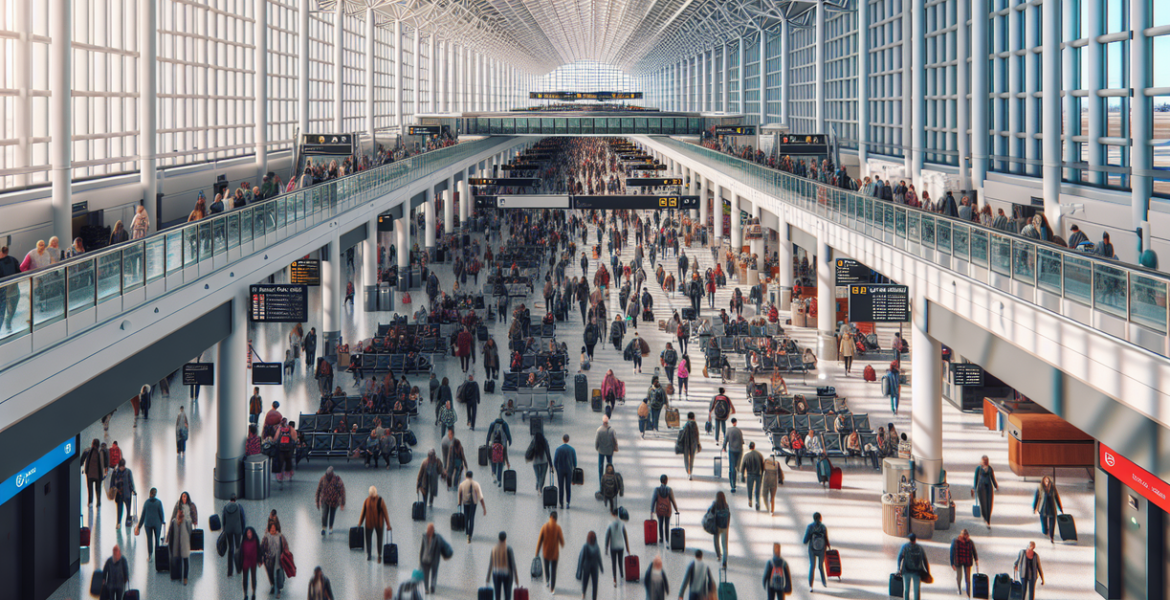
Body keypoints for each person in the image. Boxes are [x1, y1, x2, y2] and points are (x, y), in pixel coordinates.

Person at [358, 486, 392, 562]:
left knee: (378, 539)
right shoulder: (367, 501)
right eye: (371, 495)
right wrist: (360, 522)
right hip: (371, 523)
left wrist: (388, 524)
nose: (372, 496)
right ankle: (370, 554)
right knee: (369, 539)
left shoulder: (380, 501)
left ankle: (378, 554)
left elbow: (385, 513)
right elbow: (363, 512)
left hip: (377, 523)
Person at [536, 511, 566, 593]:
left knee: (546, 567)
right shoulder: (558, 528)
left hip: (546, 552)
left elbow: (539, 540)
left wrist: (537, 552)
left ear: (550, 517)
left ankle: (547, 581)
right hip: (555, 554)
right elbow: (562, 542)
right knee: (553, 570)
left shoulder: (544, 527)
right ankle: (552, 588)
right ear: (556, 519)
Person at [896, 533, 930, 600]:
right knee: (916, 590)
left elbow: (899, 558)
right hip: (917, 572)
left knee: (906, 590)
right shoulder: (920, 548)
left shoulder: (905, 547)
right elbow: (925, 560)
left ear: (909, 539)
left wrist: (899, 568)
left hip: (906, 571)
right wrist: (928, 571)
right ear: (915, 539)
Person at [487, 531, 520, 600]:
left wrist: (488, 577)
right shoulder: (509, 549)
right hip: (507, 574)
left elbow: (490, 564)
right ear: (505, 539)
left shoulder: (494, 549)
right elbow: (513, 564)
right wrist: (516, 578)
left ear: (498, 539)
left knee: (497, 595)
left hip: (496, 574)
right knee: (507, 595)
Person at [803, 512, 830, 592]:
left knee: (812, 566)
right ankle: (824, 582)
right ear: (820, 518)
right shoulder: (823, 527)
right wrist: (827, 546)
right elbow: (826, 539)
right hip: (821, 549)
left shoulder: (810, 527)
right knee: (821, 566)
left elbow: (805, 540)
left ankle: (810, 586)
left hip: (812, 549)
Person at [261, 521, 289, 598]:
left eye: (274, 528)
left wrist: (285, 554)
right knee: (270, 574)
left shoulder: (280, 537)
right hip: (269, 559)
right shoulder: (266, 537)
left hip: (278, 559)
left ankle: (278, 590)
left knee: (279, 573)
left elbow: (285, 547)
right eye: (271, 529)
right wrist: (261, 558)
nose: (273, 530)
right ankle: (273, 585)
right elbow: (262, 548)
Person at [221, 493, 247, 577]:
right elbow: (243, 518)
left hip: (228, 530)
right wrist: (243, 530)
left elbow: (223, 519)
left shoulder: (225, 507)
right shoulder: (239, 507)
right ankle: (238, 569)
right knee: (237, 548)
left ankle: (230, 571)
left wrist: (224, 529)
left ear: (230, 499)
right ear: (235, 499)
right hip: (237, 530)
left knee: (231, 548)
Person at [315, 467, 346, 536]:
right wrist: (317, 502)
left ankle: (331, 527)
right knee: (324, 514)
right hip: (325, 499)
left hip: (334, 501)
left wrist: (342, 503)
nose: (327, 475)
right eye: (326, 474)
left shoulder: (337, 479)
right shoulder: (323, 479)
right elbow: (318, 490)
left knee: (332, 514)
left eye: (328, 474)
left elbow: (342, 491)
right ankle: (324, 528)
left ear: (332, 473)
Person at [167, 506, 194, 585]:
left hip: (184, 544)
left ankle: (185, 577)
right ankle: (178, 576)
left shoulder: (186, 521)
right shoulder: (174, 522)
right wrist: (168, 540)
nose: (180, 514)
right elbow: (171, 532)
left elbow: (190, 531)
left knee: (185, 561)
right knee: (178, 560)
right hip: (176, 544)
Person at [457, 471, 486, 543]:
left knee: (466, 517)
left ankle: (467, 533)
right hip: (473, 503)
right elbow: (480, 497)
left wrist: (459, 504)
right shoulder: (476, 484)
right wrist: (484, 508)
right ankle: (470, 535)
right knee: (472, 518)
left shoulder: (462, 484)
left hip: (465, 503)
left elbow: (459, 494)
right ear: (472, 476)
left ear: (466, 476)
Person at [136, 488, 166, 556]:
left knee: (149, 539)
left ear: (150, 493)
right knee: (157, 538)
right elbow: (161, 513)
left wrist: (139, 526)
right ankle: (157, 553)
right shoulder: (158, 503)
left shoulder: (146, 503)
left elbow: (143, 515)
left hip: (148, 524)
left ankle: (150, 554)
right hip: (157, 524)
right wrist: (162, 521)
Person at [418, 523, 447, 594]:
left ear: (433, 530)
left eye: (430, 529)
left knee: (434, 574)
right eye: (428, 529)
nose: (429, 531)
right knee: (426, 574)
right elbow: (422, 548)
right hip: (425, 558)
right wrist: (420, 559)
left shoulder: (436, 538)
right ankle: (426, 588)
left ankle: (433, 586)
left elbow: (438, 550)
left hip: (433, 560)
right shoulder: (424, 537)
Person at [651, 474, 680, 546]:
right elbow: (673, 500)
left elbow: (653, 500)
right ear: (666, 481)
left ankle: (661, 538)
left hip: (659, 510)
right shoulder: (669, 490)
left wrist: (652, 510)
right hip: (667, 510)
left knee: (660, 524)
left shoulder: (657, 490)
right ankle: (667, 539)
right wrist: (676, 509)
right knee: (667, 525)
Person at [1032, 476, 1063, 543]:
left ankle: (1051, 536)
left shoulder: (1053, 488)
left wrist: (1060, 508)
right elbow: (1036, 498)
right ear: (1043, 482)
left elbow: (1057, 498)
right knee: (1044, 526)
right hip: (1043, 508)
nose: (1047, 483)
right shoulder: (1040, 488)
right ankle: (1046, 532)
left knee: (1052, 523)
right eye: (1046, 481)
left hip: (1052, 507)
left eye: (1048, 481)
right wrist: (1034, 509)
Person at [950, 529, 979, 597]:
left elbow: (974, 551)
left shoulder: (970, 542)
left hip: (967, 561)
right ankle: (959, 588)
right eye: (965, 536)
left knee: (968, 578)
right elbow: (952, 552)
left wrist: (976, 559)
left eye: (967, 536)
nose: (966, 538)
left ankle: (968, 592)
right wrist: (952, 563)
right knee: (959, 577)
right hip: (958, 560)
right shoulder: (955, 541)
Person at [604, 507, 629, 586]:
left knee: (614, 563)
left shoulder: (610, 525)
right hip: (621, 546)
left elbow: (607, 537)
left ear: (613, 514)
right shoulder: (622, 524)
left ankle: (614, 579)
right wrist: (627, 548)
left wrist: (606, 548)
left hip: (613, 546)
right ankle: (621, 575)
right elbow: (625, 536)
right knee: (620, 561)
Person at [972, 456, 999, 529]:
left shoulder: (990, 468)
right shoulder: (978, 469)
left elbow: (992, 478)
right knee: (984, 504)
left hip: (989, 487)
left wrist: (996, 485)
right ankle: (985, 518)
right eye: (984, 461)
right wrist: (974, 488)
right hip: (981, 488)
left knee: (989, 504)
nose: (985, 463)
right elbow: (976, 479)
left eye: (986, 461)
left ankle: (988, 520)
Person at [576, 530, 604, 600]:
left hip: (586, 567)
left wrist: (579, 570)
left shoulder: (585, 546)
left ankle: (583, 593)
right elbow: (599, 557)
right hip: (595, 567)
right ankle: (594, 597)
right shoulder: (597, 547)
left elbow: (581, 558)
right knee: (595, 583)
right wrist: (601, 567)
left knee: (585, 581)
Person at [707, 492, 731, 566]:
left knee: (716, 541)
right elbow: (729, 515)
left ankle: (718, 556)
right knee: (725, 545)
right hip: (725, 527)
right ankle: (724, 561)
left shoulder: (715, 504)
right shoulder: (726, 505)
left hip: (717, 526)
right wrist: (727, 525)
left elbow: (709, 512)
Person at [553, 434, 578, 509]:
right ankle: (568, 502)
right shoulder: (572, 449)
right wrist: (574, 469)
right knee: (568, 487)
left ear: (562, 439)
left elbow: (555, 461)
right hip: (569, 470)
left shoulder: (558, 449)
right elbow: (575, 462)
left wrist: (557, 469)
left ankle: (561, 503)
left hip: (560, 470)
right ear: (568, 440)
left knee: (561, 487)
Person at [81, 438, 107, 507]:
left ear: (92, 444)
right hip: (98, 475)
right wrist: (105, 472)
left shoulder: (88, 451)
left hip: (90, 474)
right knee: (98, 490)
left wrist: (80, 465)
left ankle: (90, 502)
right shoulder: (101, 452)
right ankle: (98, 503)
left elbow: (82, 460)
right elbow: (105, 462)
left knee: (90, 490)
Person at [595, 414, 618, 486]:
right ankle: (610, 480)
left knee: (600, 467)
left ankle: (601, 483)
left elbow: (597, 441)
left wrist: (597, 448)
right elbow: (615, 440)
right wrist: (615, 448)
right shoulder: (612, 430)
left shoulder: (599, 430)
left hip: (601, 451)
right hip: (609, 451)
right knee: (609, 466)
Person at [741, 441, 765, 509]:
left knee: (750, 488)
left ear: (749, 447)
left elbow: (743, 466)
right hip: (758, 474)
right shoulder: (759, 454)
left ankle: (750, 500)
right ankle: (757, 501)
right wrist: (762, 473)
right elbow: (763, 465)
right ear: (754, 447)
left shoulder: (746, 455)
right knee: (757, 489)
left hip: (750, 474)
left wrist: (742, 476)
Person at [239, 526, 261, 600]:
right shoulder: (244, 541)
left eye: (250, 533)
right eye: (248, 533)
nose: (249, 534)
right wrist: (240, 564)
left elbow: (259, 550)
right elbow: (241, 553)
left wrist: (259, 560)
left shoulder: (255, 540)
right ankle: (245, 594)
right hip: (245, 562)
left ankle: (253, 593)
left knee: (253, 578)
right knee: (245, 579)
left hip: (253, 561)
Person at [723, 418, 744, 493]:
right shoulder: (739, 430)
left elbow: (725, 439)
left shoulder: (728, 430)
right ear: (736, 422)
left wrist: (724, 447)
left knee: (731, 467)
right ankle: (736, 477)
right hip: (739, 450)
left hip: (732, 450)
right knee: (736, 466)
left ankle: (732, 484)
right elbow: (742, 441)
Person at [678, 411, 701, 479]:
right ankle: (690, 472)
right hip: (693, 444)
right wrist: (698, 444)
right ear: (693, 418)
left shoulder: (685, 425)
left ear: (688, 418)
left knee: (686, 458)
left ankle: (688, 472)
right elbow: (697, 435)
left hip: (686, 444)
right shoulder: (695, 425)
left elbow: (681, 434)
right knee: (691, 458)